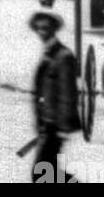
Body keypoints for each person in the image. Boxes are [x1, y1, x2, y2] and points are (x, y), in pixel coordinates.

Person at [29, 10, 81, 182]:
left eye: (46, 28)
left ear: (53, 29)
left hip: (56, 125)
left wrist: (64, 126)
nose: (42, 32)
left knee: (41, 173)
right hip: (46, 123)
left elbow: (68, 93)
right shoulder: (48, 53)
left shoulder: (63, 56)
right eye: (39, 28)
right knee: (50, 173)